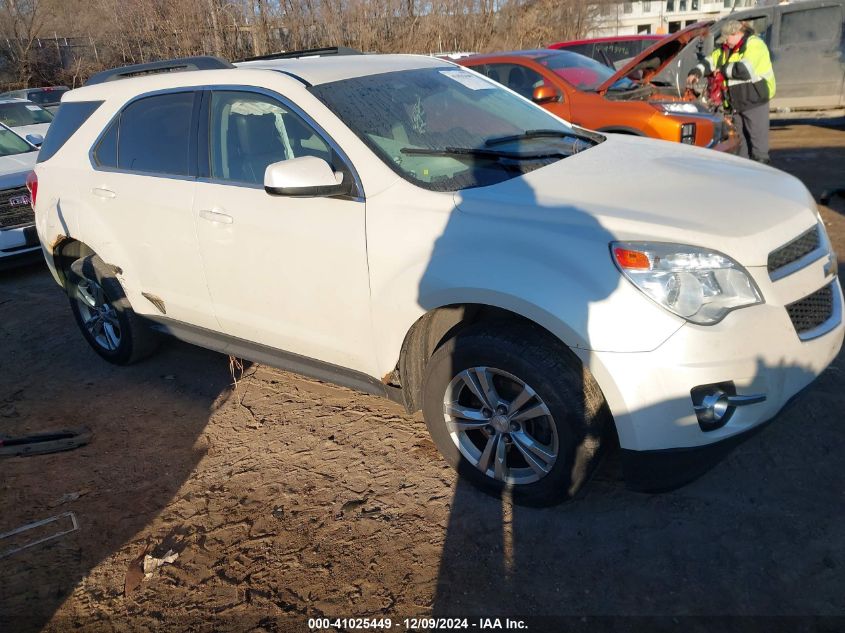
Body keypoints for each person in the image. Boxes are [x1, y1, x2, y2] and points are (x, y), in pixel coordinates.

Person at [686, 20, 776, 164]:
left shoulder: (755, 45)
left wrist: (721, 70)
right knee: (741, 146)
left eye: (727, 38)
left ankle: (761, 175)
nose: (726, 42)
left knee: (759, 148)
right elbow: (710, 61)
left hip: (755, 102)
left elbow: (744, 70)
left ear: (736, 34)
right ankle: (744, 175)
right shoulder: (726, 49)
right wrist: (696, 72)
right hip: (737, 104)